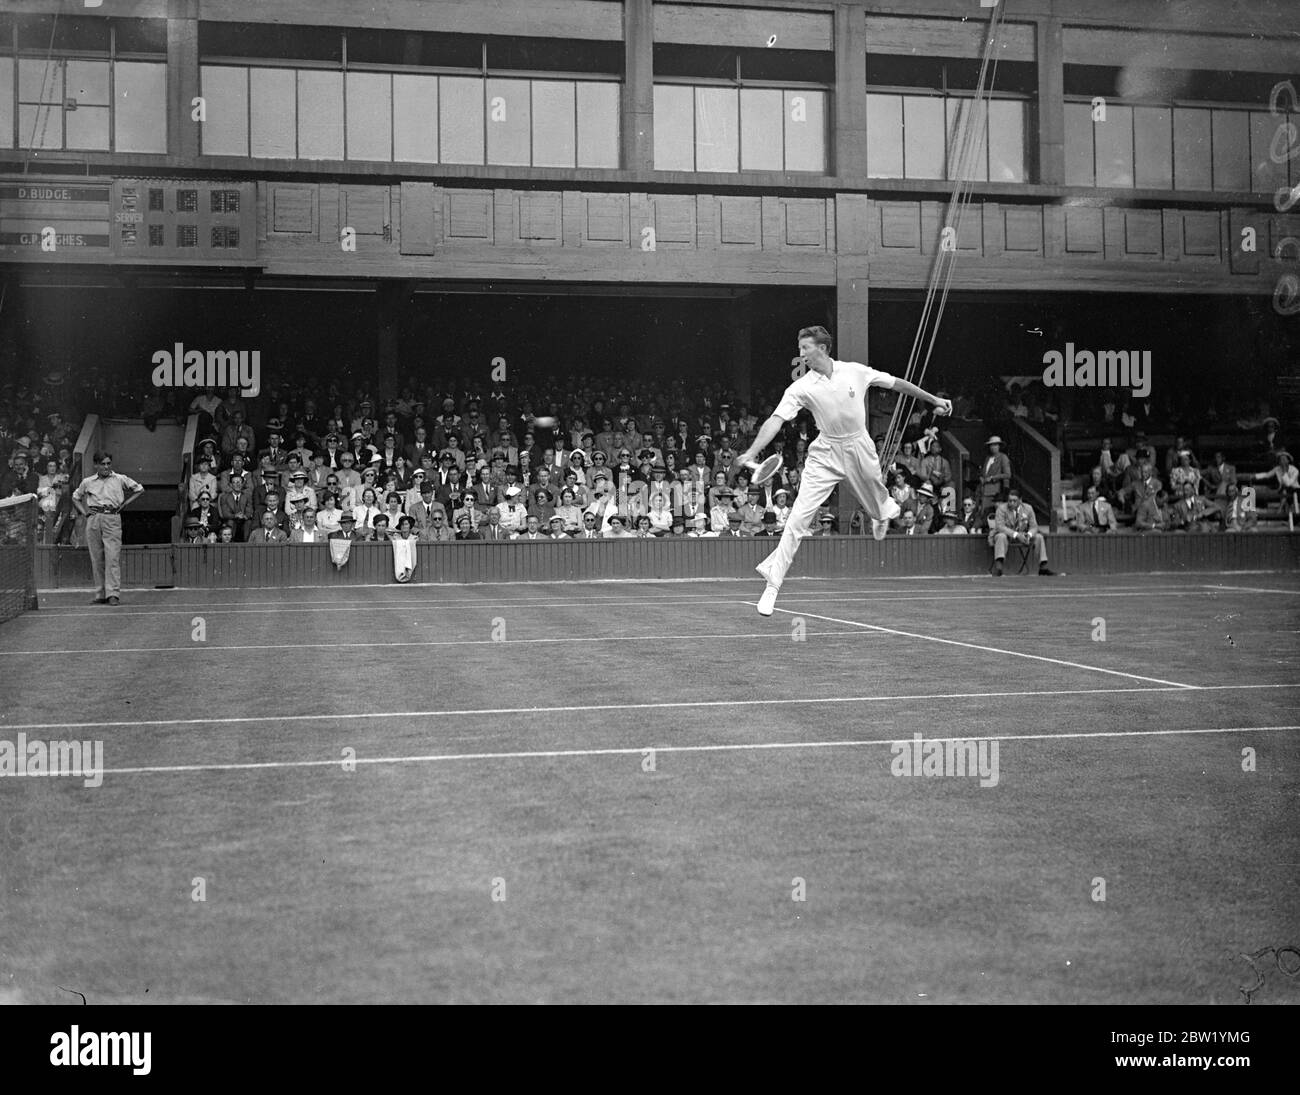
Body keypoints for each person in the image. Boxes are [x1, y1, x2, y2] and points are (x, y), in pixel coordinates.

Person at [739, 325, 951, 616]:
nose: (800, 354)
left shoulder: (855, 371)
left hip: (859, 447)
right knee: (798, 519)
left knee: (878, 501)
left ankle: (880, 514)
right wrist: (752, 451)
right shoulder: (801, 387)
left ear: (822, 349)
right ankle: (773, 586)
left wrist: (934, 400)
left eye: (805, 348)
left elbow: (898, 384)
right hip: (824, 453)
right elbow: (776, 420)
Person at [70, 451, 144, 606]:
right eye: (102, 464)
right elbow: (75, 497)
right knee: (96, 558)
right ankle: (100, 593)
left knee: (112, 557)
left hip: (112, 517)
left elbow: (139, 489)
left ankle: (113, 594)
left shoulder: (120, 479)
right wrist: (85, 513)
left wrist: (124, 504)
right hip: (94, 519)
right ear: (96, 465)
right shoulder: (88, 481)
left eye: (108, 463)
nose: (106, 467)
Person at [989, 489, 1055, 576]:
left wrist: (1029, 535)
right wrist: (1016, 535)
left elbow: (1034, 526)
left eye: (1014, 501)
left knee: (1039, 537)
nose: (1012, 503)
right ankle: (999, 568)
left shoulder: (1028, 508)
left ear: (1020, 500)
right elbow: (1000, 527)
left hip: (1022, 535)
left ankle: (1043, 567)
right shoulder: (1001, 509)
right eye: (1010, 501)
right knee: (1001, 536)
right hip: (1006, 535)